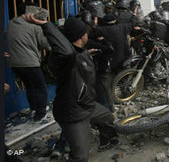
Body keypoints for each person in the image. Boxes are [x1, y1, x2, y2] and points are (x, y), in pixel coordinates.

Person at [23, 14, 118, 162]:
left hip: (86, 105)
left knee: (106, 117)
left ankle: (106, 141)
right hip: (72, 112)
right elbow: (68, 52)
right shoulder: (65, 57)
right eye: (85, 32)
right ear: (80, 36)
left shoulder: (81, 51)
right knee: (81, 156)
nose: (88, 34)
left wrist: (88, 53)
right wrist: (47, 25)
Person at [6, 3, 50, 122]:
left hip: (15, 64)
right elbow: (45, 44)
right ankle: (41, 114)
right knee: (40, 87)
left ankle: (34, 109)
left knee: (30, 86)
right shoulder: (34, 27)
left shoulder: (10, 23)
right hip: (30, 63)